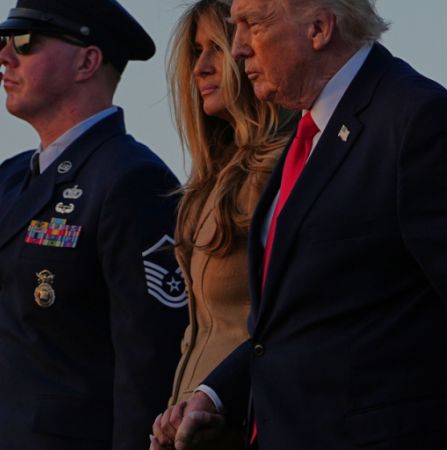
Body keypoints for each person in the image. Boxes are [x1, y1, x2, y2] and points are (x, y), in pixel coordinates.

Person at [150, 0, 447, 449]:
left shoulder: (416, 121)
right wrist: (216, 394)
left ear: (319, 28)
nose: (239, 47)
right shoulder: (310, 135)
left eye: (253, 24)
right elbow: (300, 324)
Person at [0, 1, 188, 448]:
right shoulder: (12, 181)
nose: (4, 57)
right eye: (6, 42)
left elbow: (150, 362)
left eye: (25, 43)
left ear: (86, 61)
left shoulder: (130, 178)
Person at [151, 0, 294, 448]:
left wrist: (217, 400)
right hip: (191, 430)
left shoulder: (283, 170)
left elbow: (286, 324)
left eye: (217, 46)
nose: (202, 67)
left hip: (249, 425)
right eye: (196, 52)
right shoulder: (206, 184)